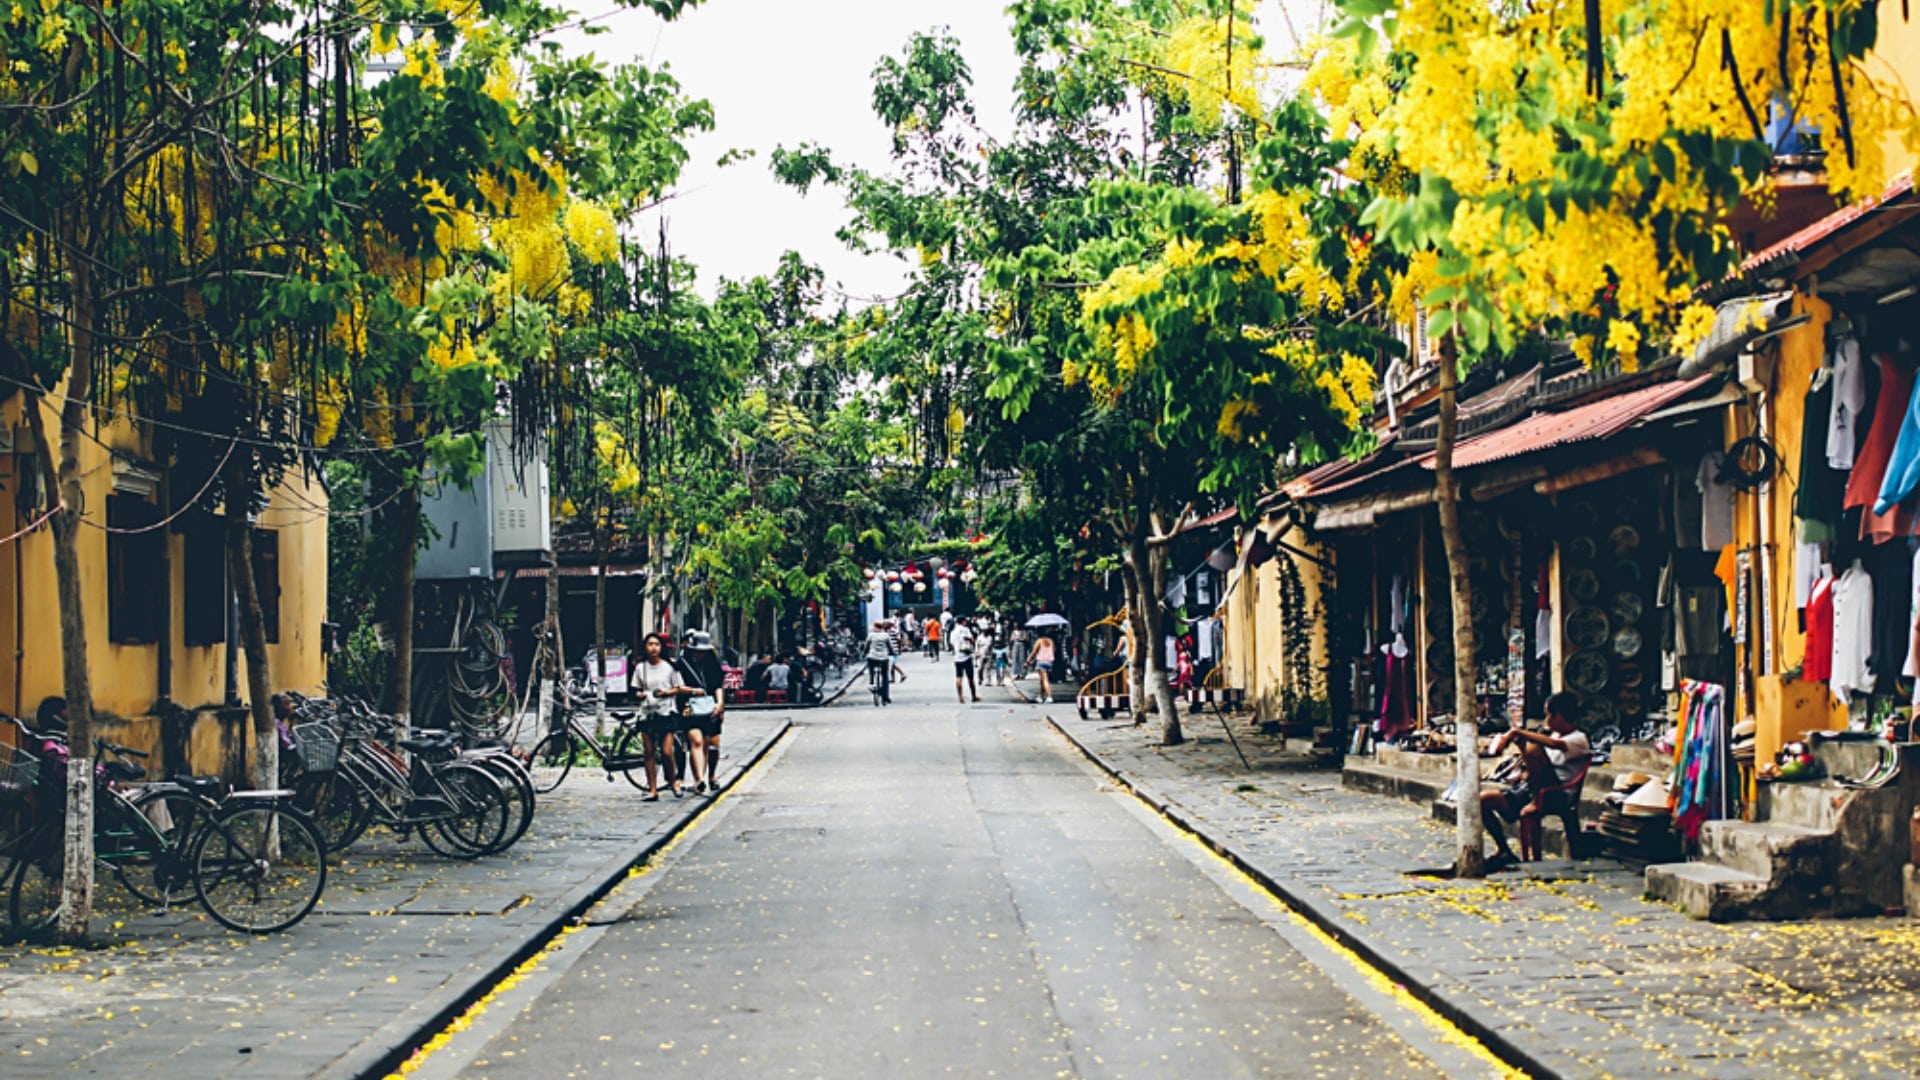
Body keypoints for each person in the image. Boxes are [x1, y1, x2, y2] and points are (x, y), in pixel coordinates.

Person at [1479, 692, 1592, 869]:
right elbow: (1534, 762)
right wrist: (1521, 745)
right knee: (1484, 800)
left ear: (1559, 715)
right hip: (1533, 786)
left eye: (1548, 714)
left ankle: (1535, 801)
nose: (1546, 719)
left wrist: (1517, 732)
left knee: (1533, 748)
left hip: (1556, 792)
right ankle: (1504, 850)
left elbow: (1552, 748)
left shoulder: (1578, 739)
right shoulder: (1554, 736)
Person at [635, 632, 697, 800]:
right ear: (645, 647)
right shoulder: (641, 668)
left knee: (667, 752)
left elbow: (679, 687)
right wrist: (640, 695)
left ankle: (674, 781)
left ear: (661, 647)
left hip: (666, 712)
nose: (653, 648)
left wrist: (667, 692)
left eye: (656, 644)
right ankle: (653, 790)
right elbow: (636, 689)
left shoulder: (670, 666)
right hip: (647, 713)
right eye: (650, 644)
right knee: (648, 752)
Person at [679, 631, 726, 795]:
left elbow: (717, 685)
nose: (701, 654)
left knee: (712, 744)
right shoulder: (682, 663)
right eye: (698, 650)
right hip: (689, 708)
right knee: (696, 742)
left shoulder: (712, 663)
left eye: (704, 651)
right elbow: (676, 686)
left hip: (710, 707)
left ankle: (711, 775)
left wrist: (720, 703)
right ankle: (698, 780)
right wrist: (692, 692)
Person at [951, 617, 980, 703]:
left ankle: (960, 697)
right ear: (963, 622)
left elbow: (951, 644)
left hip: (957, 657)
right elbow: (971, 640)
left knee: (959, 677)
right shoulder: (966, 630)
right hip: (967, 656)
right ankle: (973, 696)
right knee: (970, 677)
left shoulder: (953, 632)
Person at [866, 623, 895, 705]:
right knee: (885, 676)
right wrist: (892, 653)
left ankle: (871, 683)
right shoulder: (886, 636)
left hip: (872, 657)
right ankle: (885, 695)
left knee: (871, 671)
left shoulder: (870, 636)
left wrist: (865, 653)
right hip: (883, 658)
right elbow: (890, 647)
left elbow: (866, 646)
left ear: (875, 627)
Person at [1028, 633, 1056, 702]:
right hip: (1049, 662)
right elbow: (1054, 650)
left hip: (1041, 662)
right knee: (1042, 680)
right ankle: (1040, 696)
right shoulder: (1051, 641)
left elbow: (1034, 652)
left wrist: (1028, 660)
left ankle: (1049, 696)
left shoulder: (1039, 641)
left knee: (1044, 680)